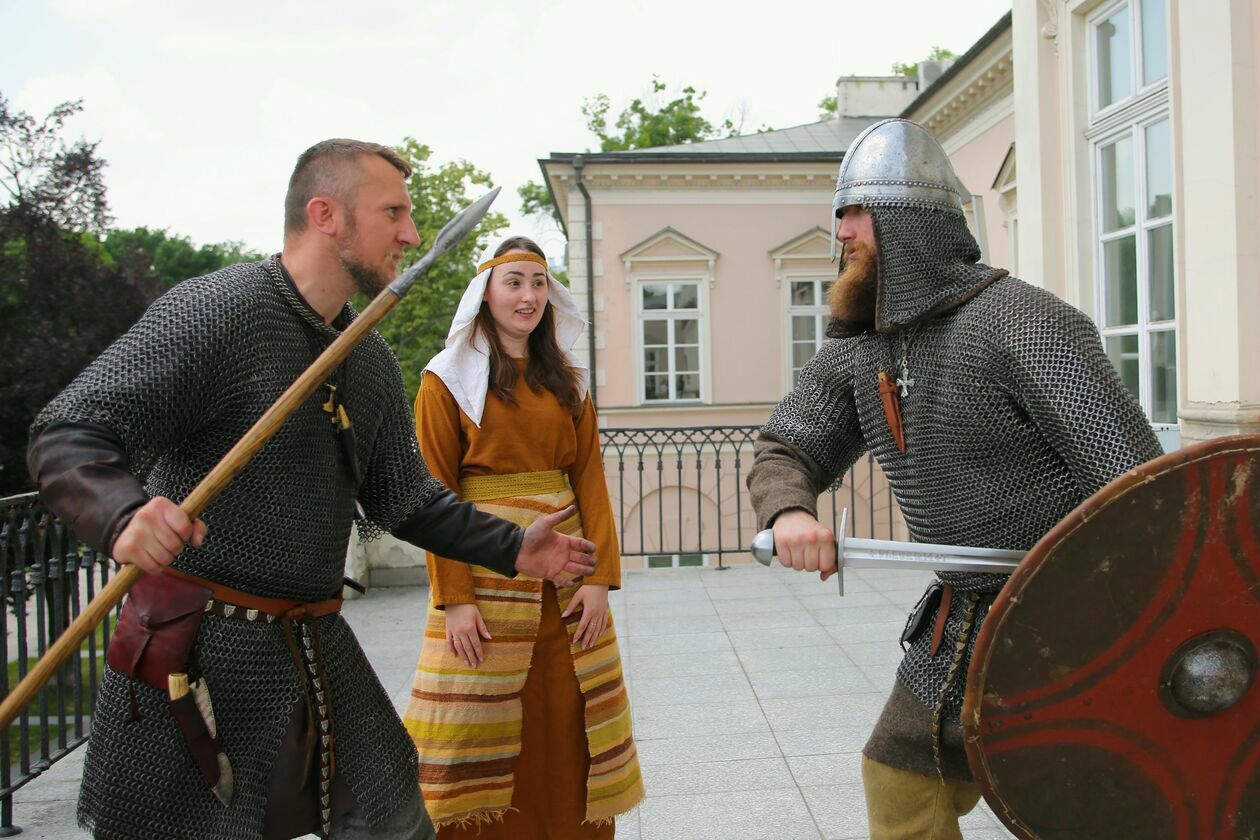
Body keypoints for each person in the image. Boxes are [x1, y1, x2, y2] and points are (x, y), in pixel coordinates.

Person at [26, 140, 598, 840]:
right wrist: (121, 515)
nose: (412, 234)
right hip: (199, 643)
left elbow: (405, 497)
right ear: (326, 214)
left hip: (313, 637)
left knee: (396, 823)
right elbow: (67, 431)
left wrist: (514, 547)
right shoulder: (218, 310)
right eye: (394, 212)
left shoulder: (367, 355)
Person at [747, 118, 1163, 840]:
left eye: (855, 211)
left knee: (1089, 803)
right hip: (957, 624)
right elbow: (788, 443)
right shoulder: (862, 347)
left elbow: (1137, 488)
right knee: (899, 777)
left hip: (1068, 611)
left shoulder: (1025, 323)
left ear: (910, 223)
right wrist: (788, 512)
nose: (840, 230)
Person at [401, 235, 644, 837]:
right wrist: (455, 599)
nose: (529, 296)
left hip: (566, 585)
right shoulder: (444, 382)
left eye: (538, 282)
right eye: (514, 282)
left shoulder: (570, 382)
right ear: (485, 293)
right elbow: (433, 492)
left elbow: (589, 479)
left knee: (566, 722)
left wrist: (600, 581)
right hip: (484, 583)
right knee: (472, 729)